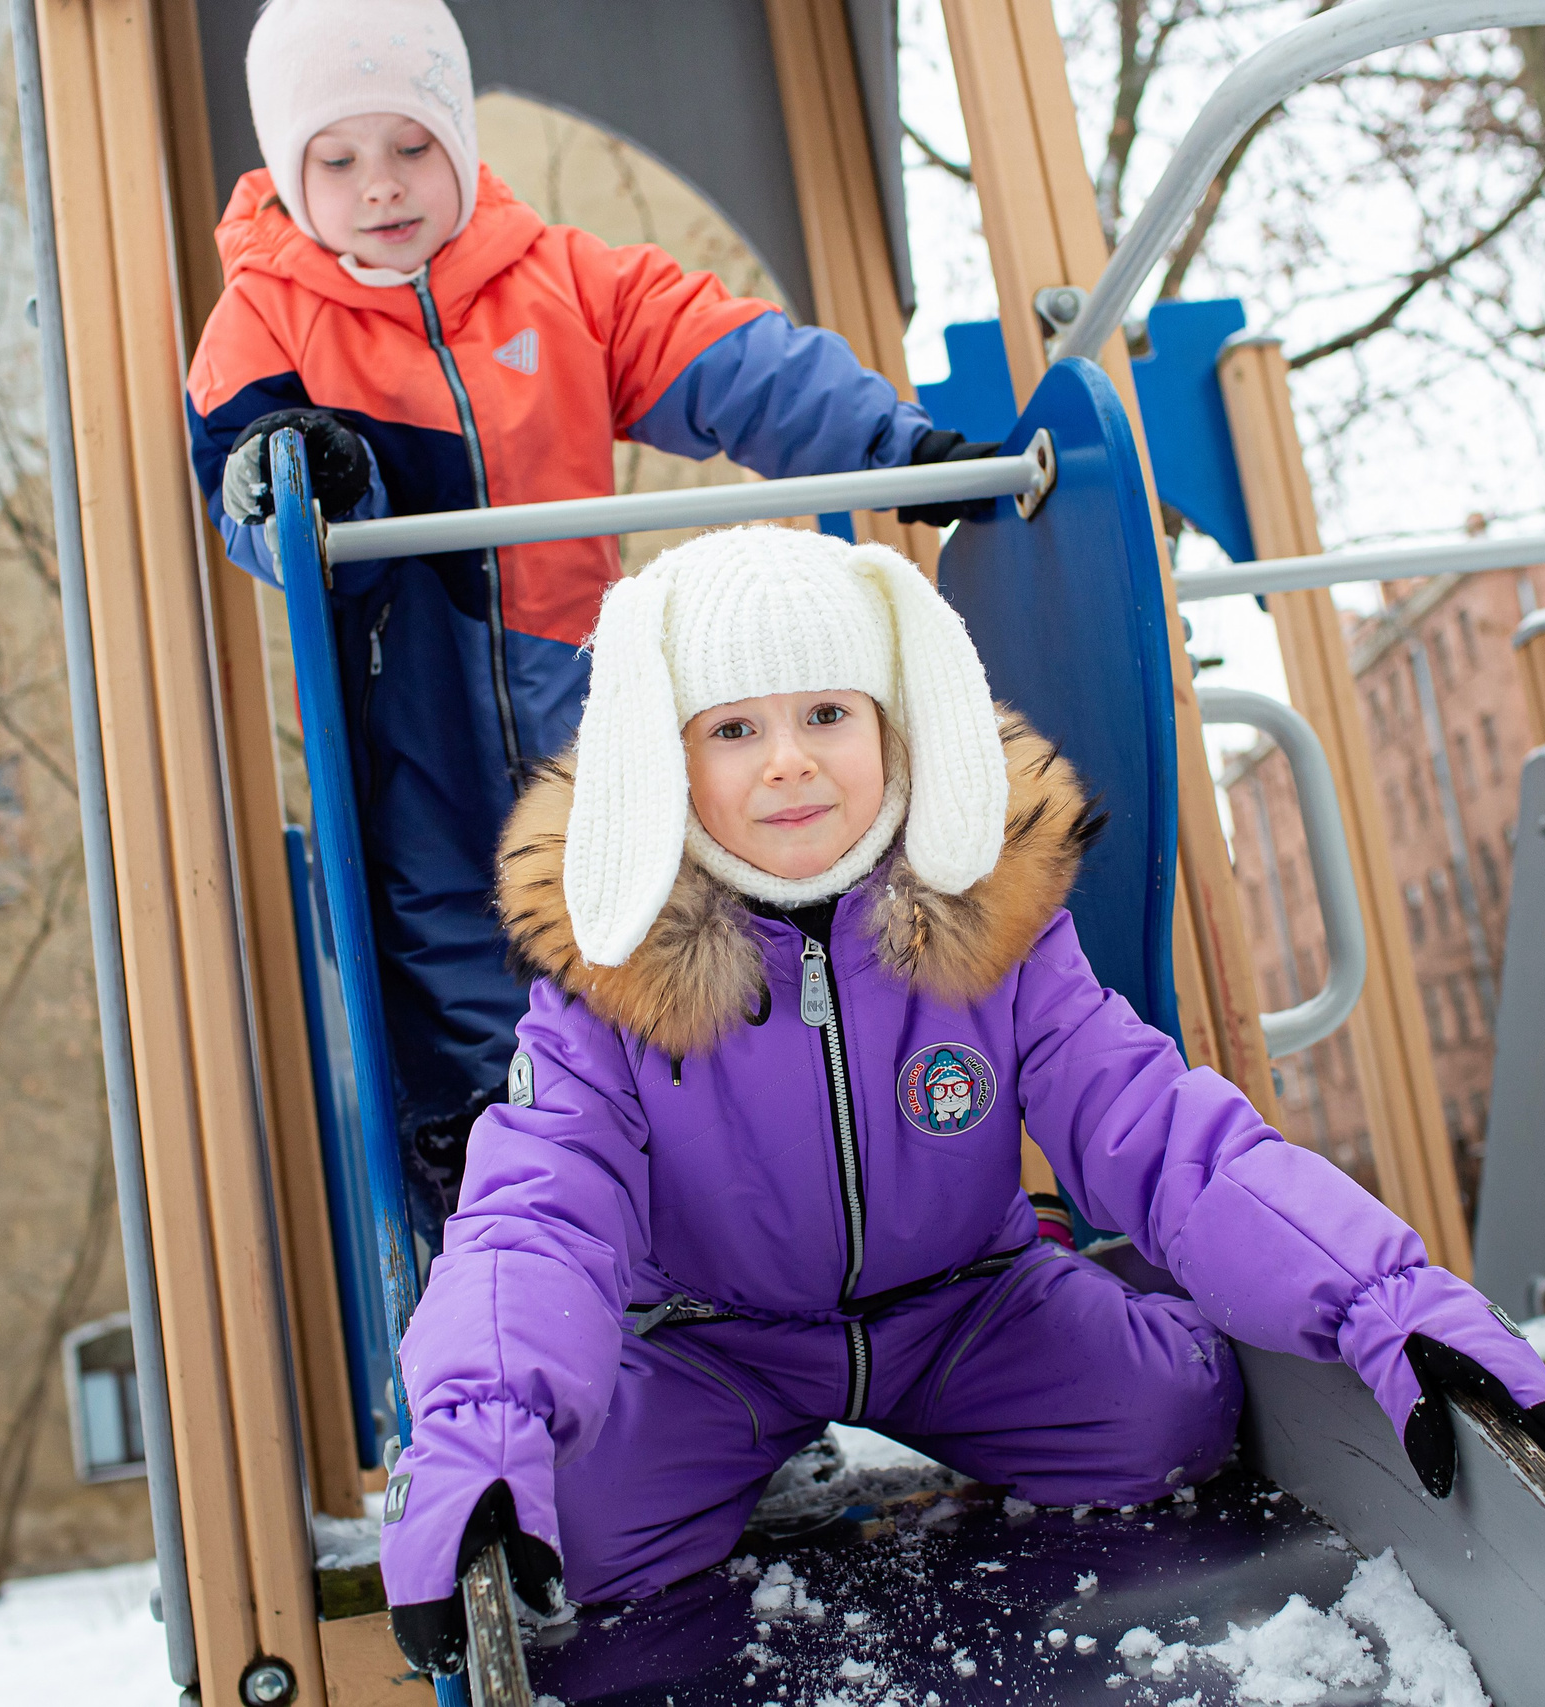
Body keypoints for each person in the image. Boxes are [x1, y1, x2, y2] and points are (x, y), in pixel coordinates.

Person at [376, 526, 1545, 1673]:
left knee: (1171, 1417)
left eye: (828, 714)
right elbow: (538, 1213)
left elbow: (1161, 1131)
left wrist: (1389, 1300)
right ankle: (723, 1460)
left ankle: (1100, 1285)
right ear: (665, 759)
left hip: (962, 1308)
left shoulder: (986, 925)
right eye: (734, 727)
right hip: (714, 1342)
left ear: (895, 729)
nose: (789, 758)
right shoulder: (612, 975)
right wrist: (483, 1431)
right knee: (578, 1536)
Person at [185, 0, 991, 1238]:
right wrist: (297, 475)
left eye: (409, 148)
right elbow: (252, 487)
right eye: (336, 162)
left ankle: (719, 1302)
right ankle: (491, 1258)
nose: (380, 189)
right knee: (450, 982)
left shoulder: (556, 281)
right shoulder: (265, 319)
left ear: (455, 138)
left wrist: (895, 452)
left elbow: (728, 359)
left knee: (638, 952)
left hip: (573, 693)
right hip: (408, 714)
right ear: (292, 172)